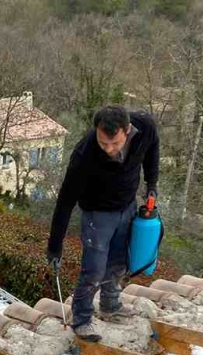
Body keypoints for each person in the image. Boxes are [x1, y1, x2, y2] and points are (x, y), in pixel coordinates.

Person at [46, 105, 160, 342]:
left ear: (127, 130)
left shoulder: (145, 126)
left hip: (127, 205)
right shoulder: (84, 154)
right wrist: (55, 245)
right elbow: (65, 201)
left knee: (119, 262)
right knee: (94, 269)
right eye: (103, 143)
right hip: (97, 214)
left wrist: (152, 184)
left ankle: (110, 305)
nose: (109, 149)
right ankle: (83, 319)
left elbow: (152, 149)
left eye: (115, 144)